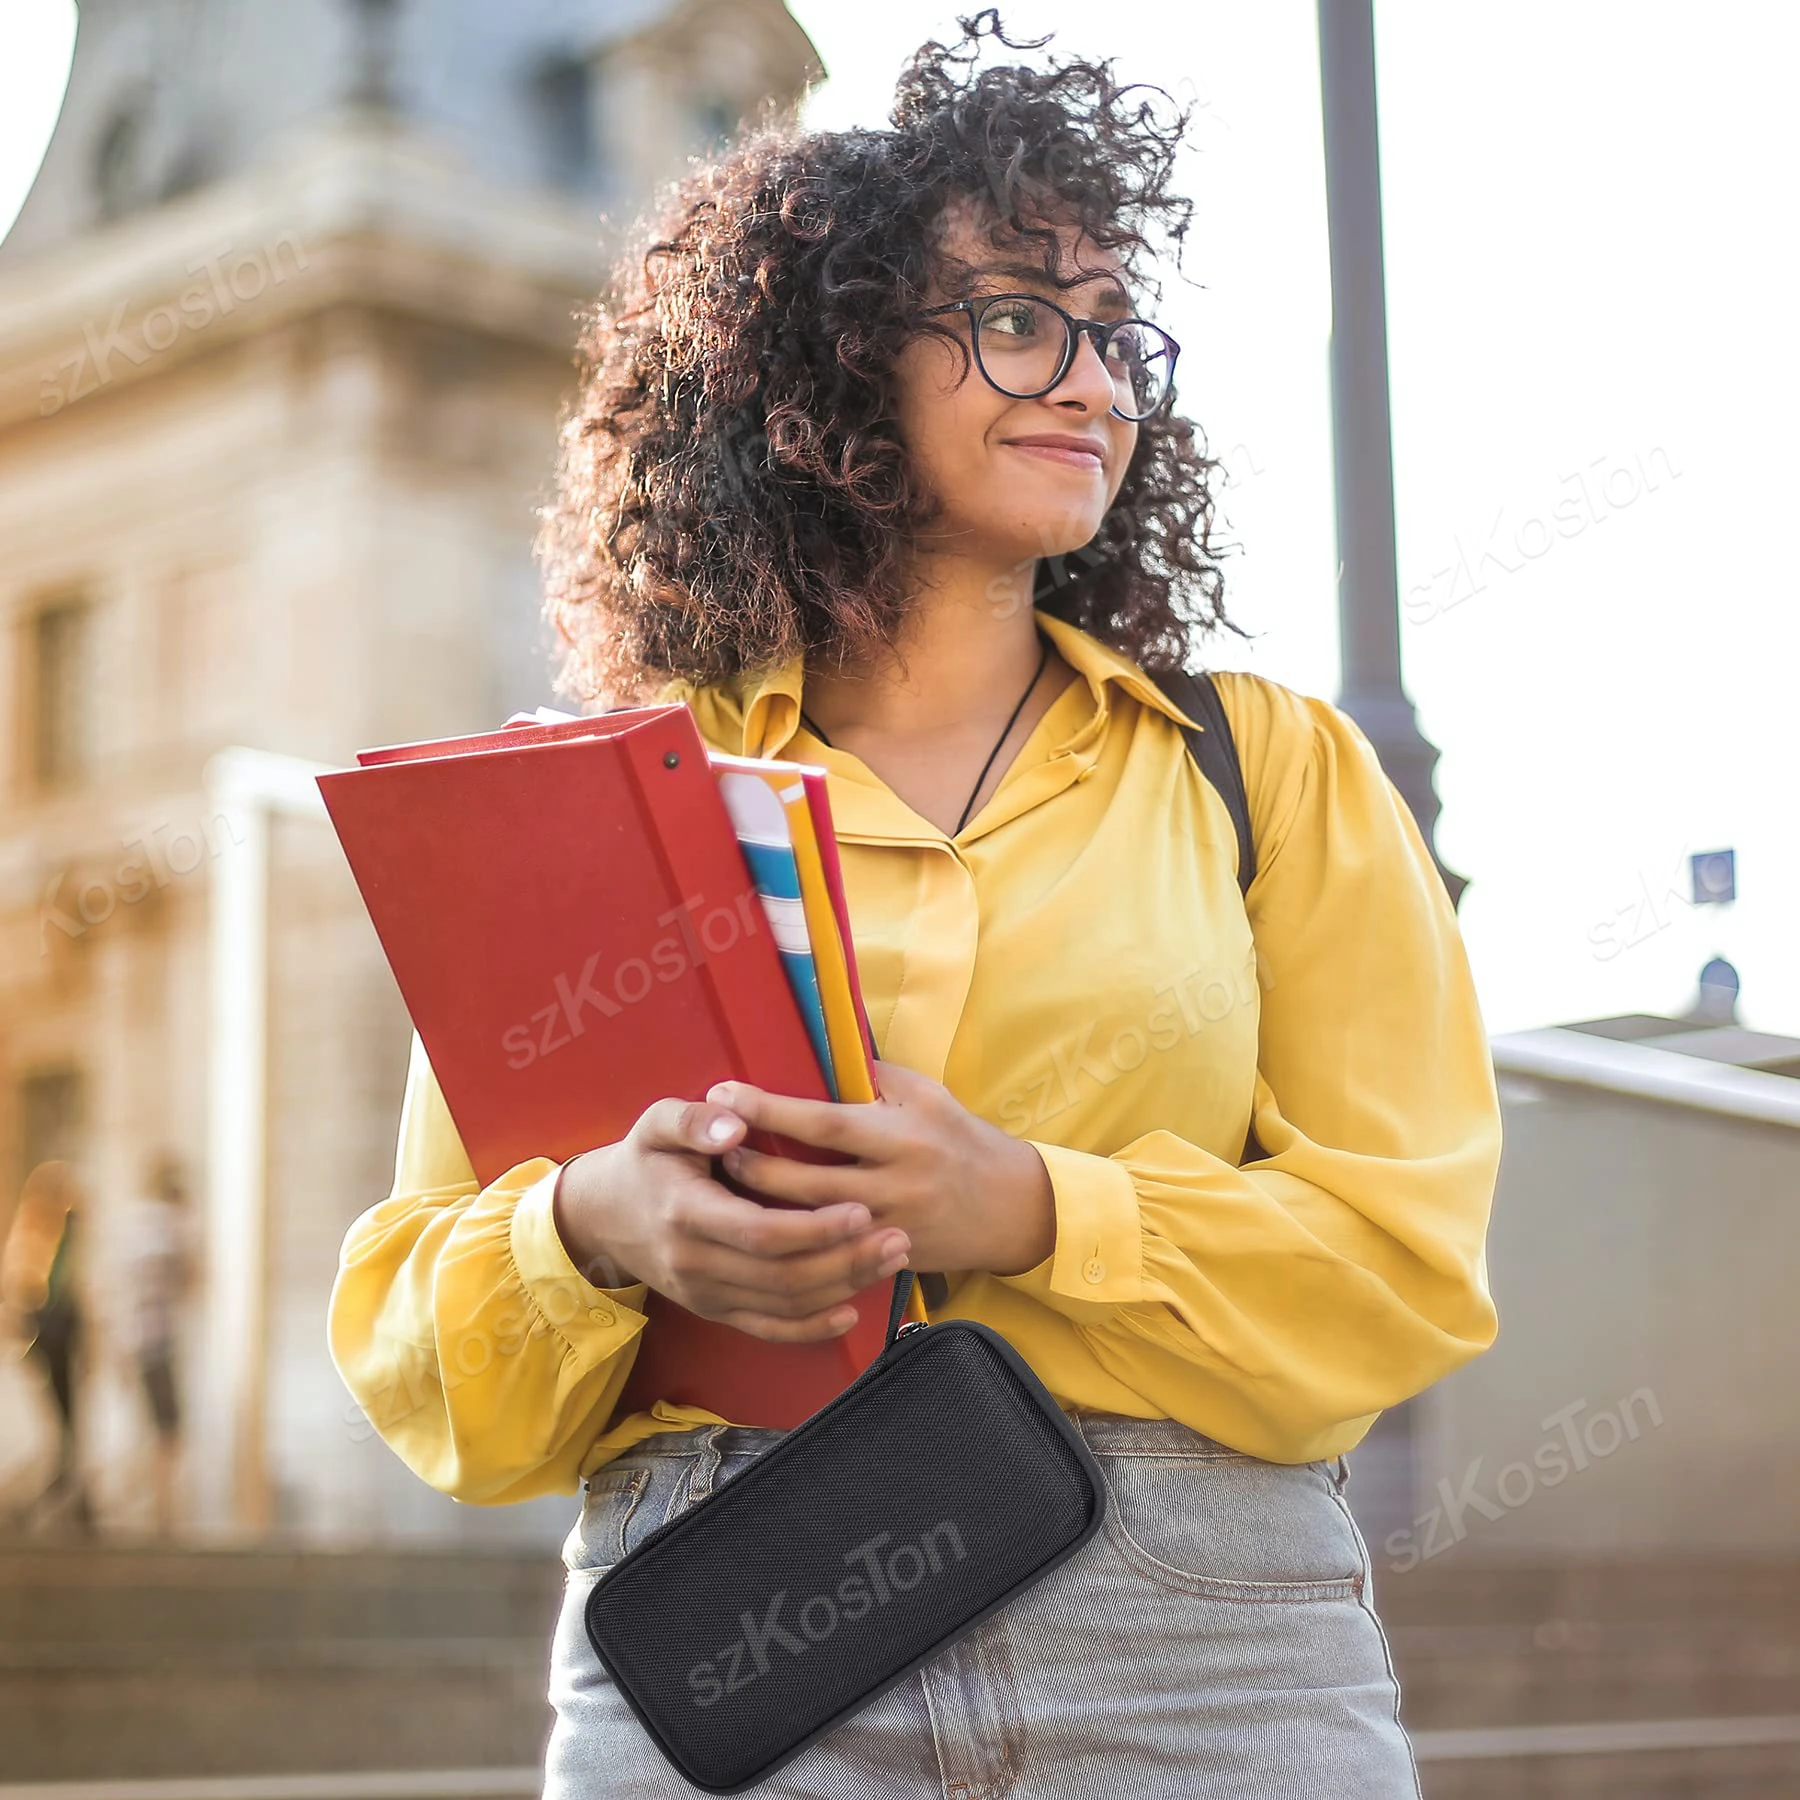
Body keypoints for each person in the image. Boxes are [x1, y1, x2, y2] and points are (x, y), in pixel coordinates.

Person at [328, 15, 1501, 1795]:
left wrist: (1032, 1205)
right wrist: (595, 1226)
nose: (1094, 381)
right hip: (734, 1624)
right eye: (1019, 318)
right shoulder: (608, 805)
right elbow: (429, 1359)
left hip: (1196, 1645)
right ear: (832, 360)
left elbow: (1404, 1266)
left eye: (1117, 332)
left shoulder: (1267, 771)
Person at [2, 1160, 93, 1534]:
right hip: (46, 1336)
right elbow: (23, 1289)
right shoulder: (36, 1236)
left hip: (60, 1337)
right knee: (52, 1421)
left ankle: (69, 1495)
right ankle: (55, 1494)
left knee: (64, 1419)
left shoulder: (66, 1237)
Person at [111, 1152, 197, 1538]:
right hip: (158, 1340)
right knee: (167, 1430)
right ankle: (161, 1510)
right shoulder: (168, 1228)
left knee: (144, 1426)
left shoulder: (131, 1226)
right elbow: (189, 1279)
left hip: (130, 1338)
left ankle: (146, 1505)